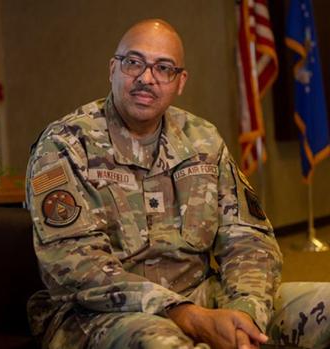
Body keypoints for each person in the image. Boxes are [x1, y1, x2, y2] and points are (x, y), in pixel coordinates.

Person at [26, 19, 330, 349]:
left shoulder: (203, 140)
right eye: (133, 63)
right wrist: (185, 315)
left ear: (180, 81)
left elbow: (248, 238)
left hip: (201, 296)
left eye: (164, 68)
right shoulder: (65, 144)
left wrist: (245, 313)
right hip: (100, 315)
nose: (146, 78)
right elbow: (76, 265)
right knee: (163, 343)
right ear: (112, 69)